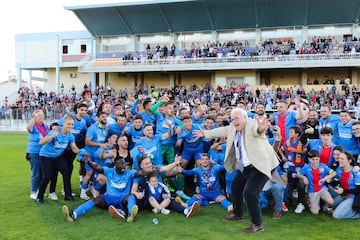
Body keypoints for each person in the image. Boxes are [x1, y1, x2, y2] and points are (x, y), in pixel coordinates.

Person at [193, 108, 279, 233]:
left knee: (250, 193)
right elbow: (222, 130)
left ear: (244, 117)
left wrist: (261, 129)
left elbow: (257, 131)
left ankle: (257, 224)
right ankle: (238, 214)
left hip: (261, 165)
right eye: (232, 119)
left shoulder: (252, 124)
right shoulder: (233, 127)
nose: (234, 121)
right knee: (235, 187)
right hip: (246, 166)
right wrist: (205, 133)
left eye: (237, 118)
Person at [62, 156, 156, 223]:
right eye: (121, 164)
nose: (124, 166)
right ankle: (73, 214)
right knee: (96, 199)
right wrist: (89, 162)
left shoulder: (129, 173)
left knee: (131, 196)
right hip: (109, 198)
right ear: (115, 165)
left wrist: (152, 170)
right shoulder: (109, 171)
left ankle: (130, 215)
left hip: (122, 199)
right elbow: (97, 167)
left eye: (124, 164)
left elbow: (141, 172)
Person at [37, 115, 83, 203]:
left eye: (72, 124)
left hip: (57, 156)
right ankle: (39, 197)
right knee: (47, 176)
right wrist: (51, 136)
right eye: (68, 124)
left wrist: (82, 152)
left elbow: (74, 148)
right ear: (63, 124)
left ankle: (68, 195)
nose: (70, 126)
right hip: (46, 156)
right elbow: (41, 142)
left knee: (66, 172)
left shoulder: (70, 135)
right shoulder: (56, 132)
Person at [296, 150, 334, 214]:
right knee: (315, 212)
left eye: (317, 159)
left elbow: (333, 173)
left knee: (331, 202)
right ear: (309, 159)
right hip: (312, 190)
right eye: (313, 159)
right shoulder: (306, 167)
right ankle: (311, 202)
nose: (315, 161)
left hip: (322, 189)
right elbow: (297, 174)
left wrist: (326, 178)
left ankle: (329, 209)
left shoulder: (323, 166)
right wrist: (304, 177)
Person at [26, 109, 50, 200]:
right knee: (36, 172)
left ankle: (39, 190)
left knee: (42, 172)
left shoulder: (45, 126)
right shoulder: (34, 126)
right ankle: (33, 191)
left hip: (44, 151)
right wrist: (33, 118)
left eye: (42, 115)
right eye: (39, 116)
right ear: (35, 117)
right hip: (34, 151)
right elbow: (28, 128)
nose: (41, 117)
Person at [331, 151, 360, 219]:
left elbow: (358, 189)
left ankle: (357, 213)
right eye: (339, 158)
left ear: (349, 161)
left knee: (336, 215)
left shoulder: (355, 172)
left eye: (342, 159)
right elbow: (335, 183)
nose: (339, 160)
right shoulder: (339, 169)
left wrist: (344, 191)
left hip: (352, 197)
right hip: (343, 195)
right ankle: (345, 209)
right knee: (325, 208)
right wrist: (328, 181)